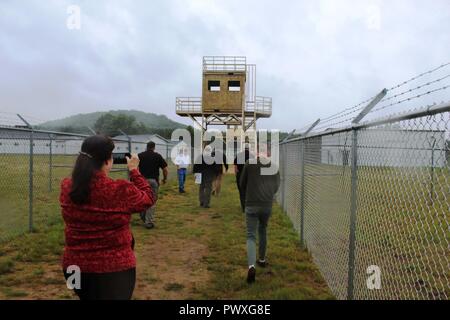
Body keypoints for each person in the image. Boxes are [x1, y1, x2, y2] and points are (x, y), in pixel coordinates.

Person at [60, 135, 155, 300]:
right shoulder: (119, 189)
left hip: (74, 269)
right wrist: (134, 171)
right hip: (114, 272)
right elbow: (148, 197)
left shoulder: (67, 186)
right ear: (107, 161)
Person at [239, 145, 280, 284]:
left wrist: (248, 194)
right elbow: (276, 187)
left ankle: (251, 266)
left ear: (256, 152)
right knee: (263, 230)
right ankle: (262, 260)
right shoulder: (274, 166)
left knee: (251, 235)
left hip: (251, 204)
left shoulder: (249, 165)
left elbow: (242, 183)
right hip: (266, 205)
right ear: (268, 153)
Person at [138, 141, 168, 229]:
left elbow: (134, 168)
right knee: (152, 200)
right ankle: (149, 222)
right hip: (153, 181)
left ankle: (143, 215)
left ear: (146, 147)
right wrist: (164, 179)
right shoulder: (157, 156)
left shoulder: (140, 155)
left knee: (142, 199)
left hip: (142, 181)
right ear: (154, 147)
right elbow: (165, 169)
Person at [234, 145, 253, 212]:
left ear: (244, 148)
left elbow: (236, 168)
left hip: (240, 175)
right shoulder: (252, 156)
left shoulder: (239, 155)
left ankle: (243, 207)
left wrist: (236, 176)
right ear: (249, 149)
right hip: (249, 176)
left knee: (242, 192)